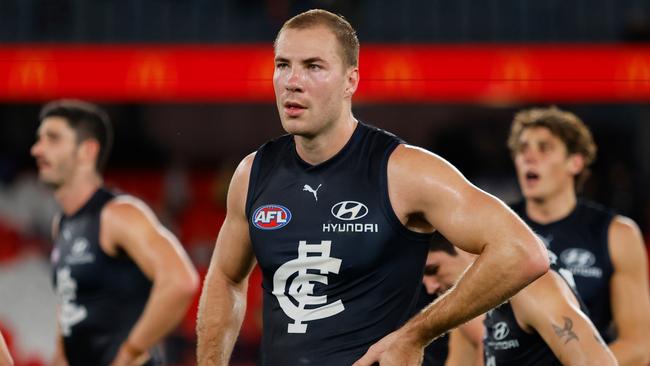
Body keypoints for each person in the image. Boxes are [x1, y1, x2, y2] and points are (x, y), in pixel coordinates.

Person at [196, 9, 549, 366]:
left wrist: (416, 334)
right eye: (283, 65)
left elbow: (522, 252)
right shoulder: (253, 173)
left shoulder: (404, 171)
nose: (292, 81)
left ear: (351, 81)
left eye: (313, 66)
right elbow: (226, 278)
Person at [31, 100, 199, 366]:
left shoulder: (119, 214)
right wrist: (61, 356)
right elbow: (70, 298)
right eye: (38, 139)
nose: (37, 149)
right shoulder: (62, 223)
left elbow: (180, 281)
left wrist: (130, 352)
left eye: (52, 139)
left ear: (87, 151)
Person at [507, 106, 650, 365]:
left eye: (544, 148)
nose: (528, 157)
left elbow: (639, 346)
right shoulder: (498, 225)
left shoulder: (617, 233)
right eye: (522, 148)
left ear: (575, 162)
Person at [423, 232, 617, 365]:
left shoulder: (530, 286)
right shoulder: (487, 296)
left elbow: (599, 363)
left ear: (467, 248)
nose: (430, 287)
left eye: (433, 270)